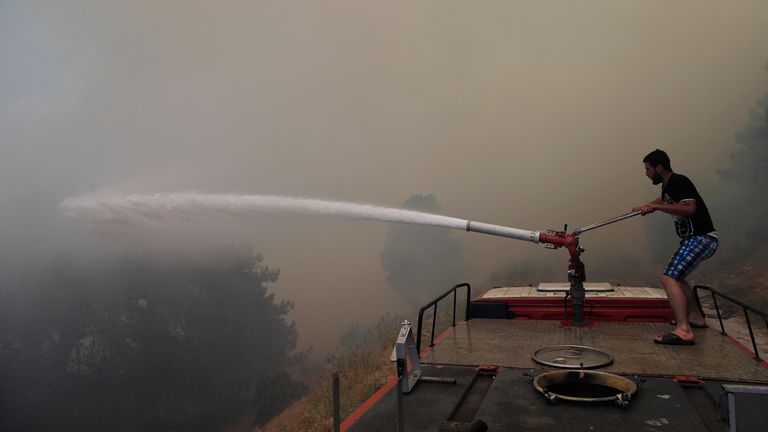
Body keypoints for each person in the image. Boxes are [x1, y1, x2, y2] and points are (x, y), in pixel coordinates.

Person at [632, 149, 718, 345]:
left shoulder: (680, 181)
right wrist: (646, 206)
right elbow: (664, 200)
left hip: (702, 238)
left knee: (669, 277)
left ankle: (683, 330)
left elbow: (689, 208)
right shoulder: (668, 186)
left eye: (648, 169)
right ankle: (695, 317)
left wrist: (655, 208)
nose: (646, 173)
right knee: (678, 278)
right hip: (694, 239)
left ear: (659, 168)